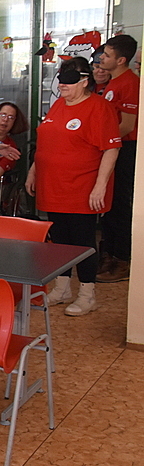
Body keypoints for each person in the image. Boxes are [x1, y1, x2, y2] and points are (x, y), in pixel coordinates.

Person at [26, 57, 120, 316]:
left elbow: (111, 149)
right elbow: (45, 144)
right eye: (60, 80)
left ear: (84, 81)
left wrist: (100, 186)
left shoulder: (99, 108)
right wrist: (34, 171)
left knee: (82, 242)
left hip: (81, 188)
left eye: (69, 81)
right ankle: (63, 287)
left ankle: (87, 294)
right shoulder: (58, 105)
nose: (62, 85)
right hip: (52, 187)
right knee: (59, 240)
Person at [97, 34, 139, 283]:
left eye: (107, 55)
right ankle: (109, 255)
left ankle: (122, 260)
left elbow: (127, 125)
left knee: (121, 206)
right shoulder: (113, 82)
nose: (102, 58)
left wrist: (105, 142)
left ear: (121, 60)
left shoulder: (130, 83)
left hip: (125, 149)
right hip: (111, 147)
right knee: (110, 206)